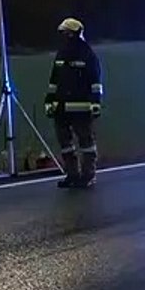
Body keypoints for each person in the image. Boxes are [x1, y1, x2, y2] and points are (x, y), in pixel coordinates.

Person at [44, 18, 103, 189]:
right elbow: (54, 81)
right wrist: (49, 100)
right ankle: (72, 174)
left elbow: (95, 81)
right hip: (61, 108)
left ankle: (87, 175)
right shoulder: (61, 54)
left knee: (86, 144)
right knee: (65, 145)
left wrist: (95, 102)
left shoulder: (87, 54)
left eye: (66, 33)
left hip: (81, 108)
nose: (63, 36)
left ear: (73, 33)